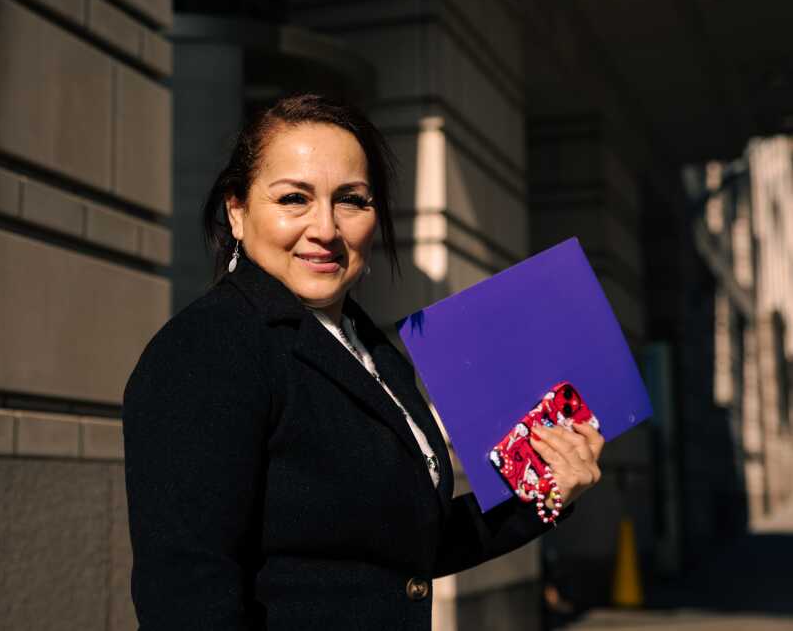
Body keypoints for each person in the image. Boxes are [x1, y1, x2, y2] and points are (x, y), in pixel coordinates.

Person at [122, 94, 605, 630]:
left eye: (351, 199)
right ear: (237, 211)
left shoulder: (373, 353)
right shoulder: (208, 348)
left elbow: (402, 550)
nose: (326, 228)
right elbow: (185, 597)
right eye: (293, 199)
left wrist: (543, 492)